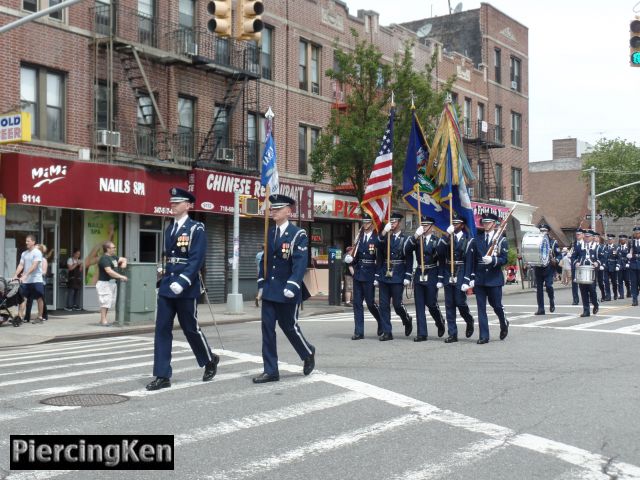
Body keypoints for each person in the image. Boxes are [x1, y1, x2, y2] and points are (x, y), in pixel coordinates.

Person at [146, 188, 220, 391]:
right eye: (172, 202)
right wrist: (163, 272)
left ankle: (209, 360)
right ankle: (162, 374)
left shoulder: (197, 228)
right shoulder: (169, 228)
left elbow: (196, 259)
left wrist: (184, 280)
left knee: (190, 328)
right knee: (162, 329)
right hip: (168, 285)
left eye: (177, 202)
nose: (173, 205)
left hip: (186, 288)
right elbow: (169, 256)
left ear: (188, 205)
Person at [254, 194, 315, 384]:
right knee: (267, 329)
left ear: (289, 211)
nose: (273, 211)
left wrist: (293, 284)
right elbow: (266, 261)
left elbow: (299, 262)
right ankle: (271, 370)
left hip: (288, 289)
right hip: (272, 289)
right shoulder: (270, 232)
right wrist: (261, 284)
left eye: (278, 209)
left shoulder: (298, 234)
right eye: (272, 209)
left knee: (289, 326)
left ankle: (307, 352)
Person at [468, 213, 509, 344]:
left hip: (494, 278)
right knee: (481, 308)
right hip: (480, 278)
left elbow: (504, 259)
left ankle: (503, 322)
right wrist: (471, 277)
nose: (485, 225)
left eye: (488, 222)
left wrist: (493, 259)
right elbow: (473, 260)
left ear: (494, 224)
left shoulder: (501, 240)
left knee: (496, 305)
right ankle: (484, 335)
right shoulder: (477, 239)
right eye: (484, 222)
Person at [405, 215, 445, 342]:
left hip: (432, 271)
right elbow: (406, 250)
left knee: (431, 303)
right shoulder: (417, 240)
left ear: (432, 227)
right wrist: (415, 236)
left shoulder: (436, 241)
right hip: (419, 272)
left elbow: (442, 259)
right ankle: (422, 333)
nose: (424, 227)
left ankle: (439, 321)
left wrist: (440, 278)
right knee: (419, 304)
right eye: (422, 225)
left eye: (426, 225)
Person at [343, 213, 383, 340]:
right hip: (359, 273)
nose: (365, 225)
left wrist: (377, 275)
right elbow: (356, 256)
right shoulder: (359, 239)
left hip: (370, 273)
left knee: (370, 303)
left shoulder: (376, 239)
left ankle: (381, 321)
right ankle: (359, 331)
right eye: (364, 222)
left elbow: (379, 259)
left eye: (367, 222)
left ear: (372, 224)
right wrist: (351, 260)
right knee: (357, 303)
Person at [437, 214, 475, 343]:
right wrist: (446, 235)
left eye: (457, 223)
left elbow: (469, 261)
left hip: (461, 271)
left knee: (460, 302)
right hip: (449, 272)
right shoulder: (448, 238)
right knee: (449, 304)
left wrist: (467, 279)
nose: (454, 225)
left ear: (462, 225)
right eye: (453, 223)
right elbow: (440, 251)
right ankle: (452, 333)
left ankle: (469, 320)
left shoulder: (468, 239)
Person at [376, 212, 413, 341]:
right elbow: (377, 245)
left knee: (397, 304)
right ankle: (387, 332)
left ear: (400, 223)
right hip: (384, 274)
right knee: (383, 305)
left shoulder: (405, 239)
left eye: (394, 222)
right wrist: (383, 233)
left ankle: (406, 318)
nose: (392, 224)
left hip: (398, 274)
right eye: (390, 222)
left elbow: (409, 258)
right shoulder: (386, 237)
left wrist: (408, 275)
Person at [13, 234, 44, 323]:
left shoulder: (37, 252)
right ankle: (20, 317)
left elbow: (34, 266)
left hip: (36, 280)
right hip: (26, 281)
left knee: (39, 298)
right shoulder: (24, 253)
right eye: (26, 241)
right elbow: (21, 265)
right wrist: (15, 275)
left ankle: (40, 317)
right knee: (23, 298)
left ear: (33, 242)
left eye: (28, 241)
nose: (26, 242)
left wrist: (25, 275)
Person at [96, 241, 128, 326]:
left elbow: (124, 259)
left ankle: (103, 319)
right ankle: (103, 320)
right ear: (107, 249)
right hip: (104, 283)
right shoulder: (104, 259)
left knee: (109, 302)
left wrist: (123, 264)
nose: (115, 249)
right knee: (105, 301)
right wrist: (121, 276)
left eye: (114, 247)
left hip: (112, 283)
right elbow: (109, 271)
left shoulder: (113, 257)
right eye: (113, 248)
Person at [533, 223, 561, 315]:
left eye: (544, 231)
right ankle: (541, 308)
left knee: (549, 286)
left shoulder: (553, 242)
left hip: (549, 268)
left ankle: (551, 299)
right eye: (541, 231)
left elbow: (559, 255)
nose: (542, 232)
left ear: (548, 232)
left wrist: (556, 260)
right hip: (538, 267)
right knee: (539, 289)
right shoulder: (536, 241)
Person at [576, 229, 600, 317]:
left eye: (588, 236)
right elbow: (574, 257)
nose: (586, 238)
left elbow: (602, 258)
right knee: (583, 290)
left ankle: (595, 303)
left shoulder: (597, 247)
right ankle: (586, 310)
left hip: (592, 271)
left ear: (592, 237)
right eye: (585, 236)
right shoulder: (579, 246)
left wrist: (597, 263)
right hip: (582, 271)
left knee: (592, 290)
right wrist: (576, 262)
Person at [570, 229, 586, 305]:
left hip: (583, 266)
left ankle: (586, 298)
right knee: (574, 284)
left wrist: (580, 262)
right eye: (576, 234)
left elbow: (585, 255)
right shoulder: (574, 244)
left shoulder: (586, 243)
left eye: (579, 234)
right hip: (575, 266)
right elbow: (572, 256)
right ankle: (575, 299)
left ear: (583, 235)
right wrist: (575, 262)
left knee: (584, 284)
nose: (577, 236)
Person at [603, 233, 620, 301]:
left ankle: (615, 294)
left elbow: (618, 258)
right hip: (606, 267)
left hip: (613, 267)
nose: (609, 241)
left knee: (614, 282)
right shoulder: (605, 247)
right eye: (608, 239)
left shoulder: (616, 247)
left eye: (610, 239)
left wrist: (617, 265)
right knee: (606, 282)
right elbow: (603, 257)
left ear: (613, 240)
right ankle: (608, 296)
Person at [628, 226, 640, 306]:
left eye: (638, 233)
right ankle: (634, 299)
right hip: (633, 265)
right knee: (633, 283)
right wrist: (628, 254)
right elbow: (629, 252)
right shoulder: (631, 242)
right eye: (635, 233)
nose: (636, 235)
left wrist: (635, 256)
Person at [617, 234, 631, 299]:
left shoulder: (628, 248)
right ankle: (621, 295)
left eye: (623, 240)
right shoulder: (617, 247)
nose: (622, 241)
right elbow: (616, 257)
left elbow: (630, 256)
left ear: (625, 240)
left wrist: (628, 263)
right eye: (621, 240)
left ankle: (629, 291)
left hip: (626, 266)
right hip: (620, 267)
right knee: (619, 281)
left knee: (627, 281)